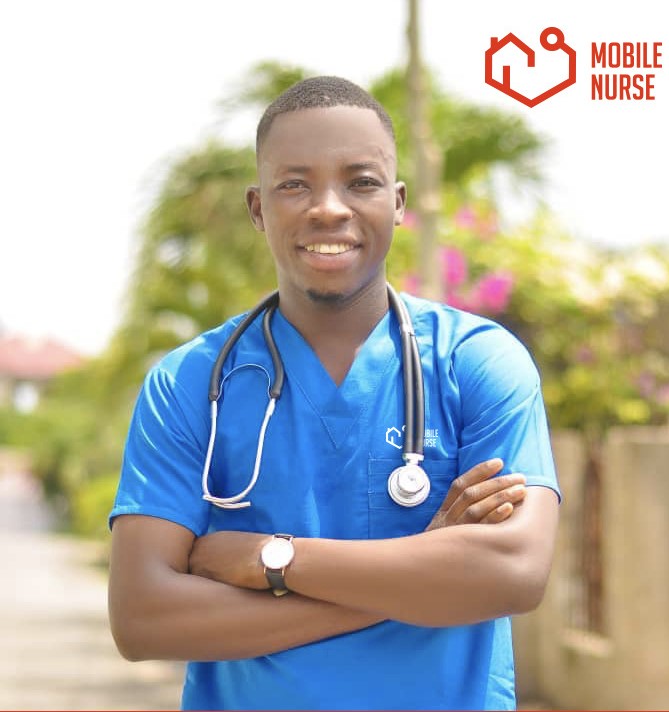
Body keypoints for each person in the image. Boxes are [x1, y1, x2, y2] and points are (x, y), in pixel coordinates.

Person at [108, 75, 560, 711]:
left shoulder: (475, 363)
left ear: (398, 202)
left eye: (361, 181)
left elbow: (514, 572)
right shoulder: (187, 385)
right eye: (294, 183)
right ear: (258, 207)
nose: (328, 207)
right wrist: (422, 576)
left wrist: (272, 561)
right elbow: (143, 618)